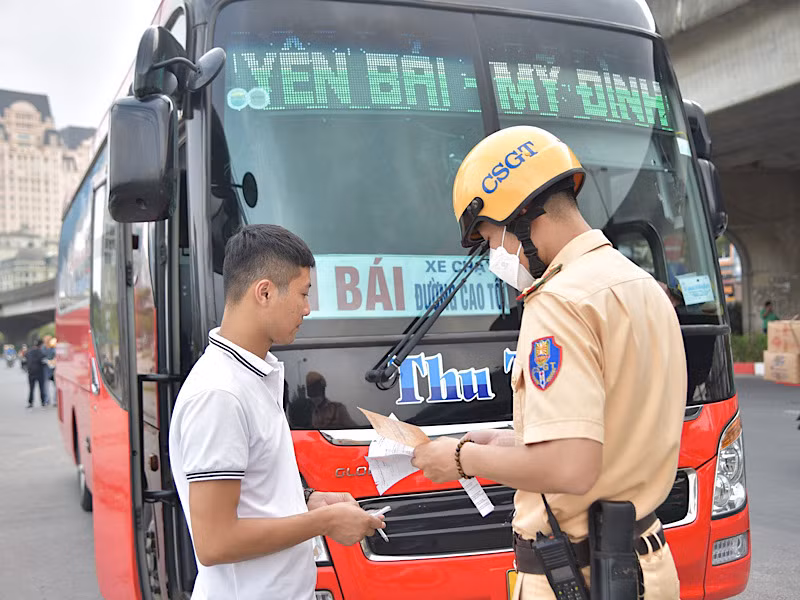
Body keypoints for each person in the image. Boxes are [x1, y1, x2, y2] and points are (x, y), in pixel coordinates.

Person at [411, 126, 686, 599]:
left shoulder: (560, 301)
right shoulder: (638, 284)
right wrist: (503, 440)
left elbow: (571, 468)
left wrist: (460, 457)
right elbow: (609, 430)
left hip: (579, 574)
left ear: (522, 217)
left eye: (492, 238)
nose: (495, 254)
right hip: (647, 566)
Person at [169, 224, 384, 600]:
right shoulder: (220, 394)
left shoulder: (252, 377)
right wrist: (323, 521)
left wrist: (306, 501)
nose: (307, 309)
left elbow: (251, 496)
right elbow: (215, 541)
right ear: (264, 292)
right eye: (303, 294)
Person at [25, 339, 48, 408]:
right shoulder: (41, 352)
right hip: (40, 373)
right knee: (41, 388)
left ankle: (30, 402)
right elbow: (44, 361)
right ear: (41, 345)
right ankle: (43, 402)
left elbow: (25, 359)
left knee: (31, 388)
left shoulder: (29, 352)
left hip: (31, 373)